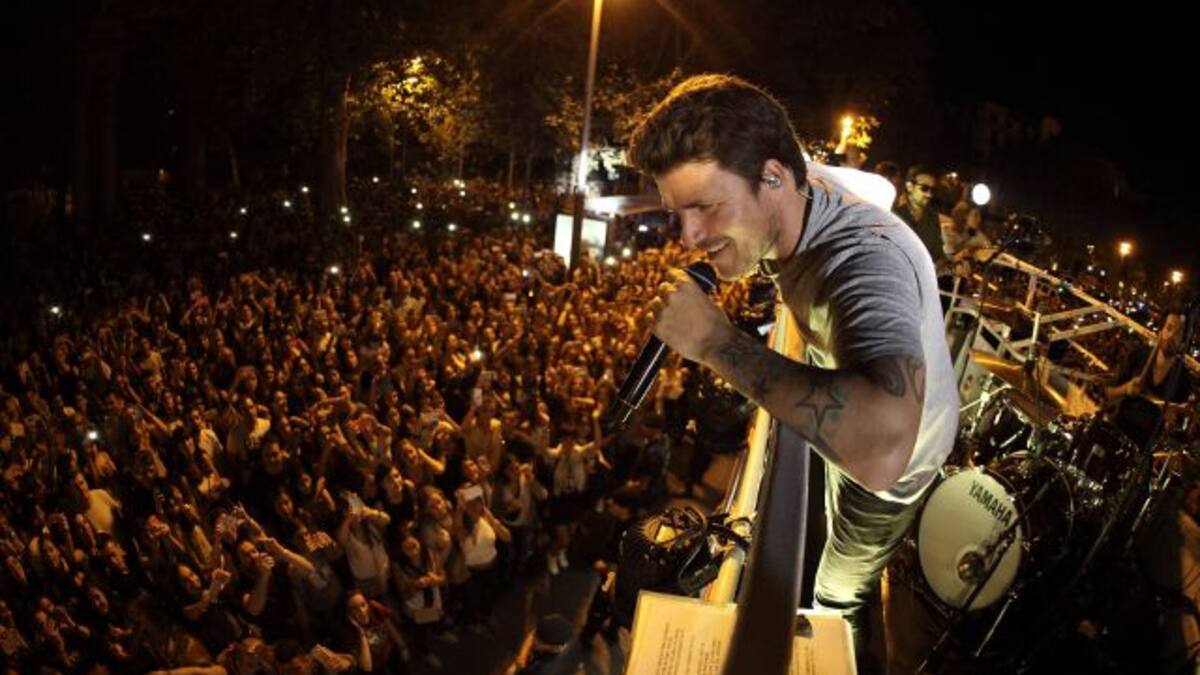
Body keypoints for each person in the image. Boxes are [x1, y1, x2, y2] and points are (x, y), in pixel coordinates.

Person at [627, 74, 958, 671]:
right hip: (851, 421)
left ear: (774, 178)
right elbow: (874, 184)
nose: (689, 236)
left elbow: (882, 448)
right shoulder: (804, 186)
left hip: (892, 471)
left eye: (705, 206)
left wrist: (713, 342)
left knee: (837, 590)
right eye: (678, 212)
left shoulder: (865, 260)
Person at [1105, 307, 1194, 448]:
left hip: (1143, 449)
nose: (1171, 336)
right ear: (1160, 332)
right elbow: (1107, 394)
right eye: (1168, 328)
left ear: (1183, 342)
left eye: (1177, 334)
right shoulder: (1138, 355)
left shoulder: (1183, 378)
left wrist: (1170, 423)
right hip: (1114, 432)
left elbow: (1176, 429)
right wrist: (1125, 389)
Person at [893, 165, 944, 262]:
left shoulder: (932, 218)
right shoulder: (895, 215)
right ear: (910, 187)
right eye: (924, 188)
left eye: (932, 190)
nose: (929, 194)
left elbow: (938, 254)